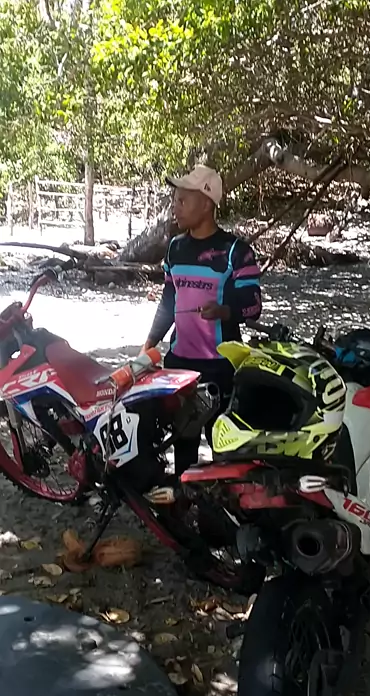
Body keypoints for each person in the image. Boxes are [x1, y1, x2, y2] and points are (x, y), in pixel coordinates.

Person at [141, 164, 262, 474]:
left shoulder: (236, 252)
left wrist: (224, 311)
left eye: (183, 200)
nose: (175, 207)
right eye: (175, 200)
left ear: (207, 203)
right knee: (184, 447)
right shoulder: (175, 248)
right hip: (180, 366)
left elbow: (253, 306)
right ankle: (183, 500)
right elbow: (168, 302)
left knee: (224, 450)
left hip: (222, 368)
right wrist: (149, 345)